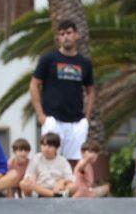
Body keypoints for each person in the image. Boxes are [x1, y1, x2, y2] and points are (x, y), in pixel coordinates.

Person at [32, 19, 95, 160]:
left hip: (77, 122)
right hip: (53, 119)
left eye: (69, 32)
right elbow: (34, 84)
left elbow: (91, 91)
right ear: (58, 38)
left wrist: (87, 118)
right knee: (50, 160)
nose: (65, 36)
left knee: (76, 161)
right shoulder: (48, 59)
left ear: (76, 35)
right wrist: (41, 116)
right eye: (61, 34)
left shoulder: (84, 63)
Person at [20, 132, 76, 198]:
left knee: (73, 186)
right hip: (39, 189)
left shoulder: (62, 161)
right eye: (44, 145)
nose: (46, 148)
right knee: (23, 183)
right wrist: (32, 179)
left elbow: (70, 178)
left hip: (57, 189)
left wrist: (62, 182)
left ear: (56, 148)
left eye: (50, 146)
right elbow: (28, 176)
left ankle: (55, 194)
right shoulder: (36, 158)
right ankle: (53, 195)